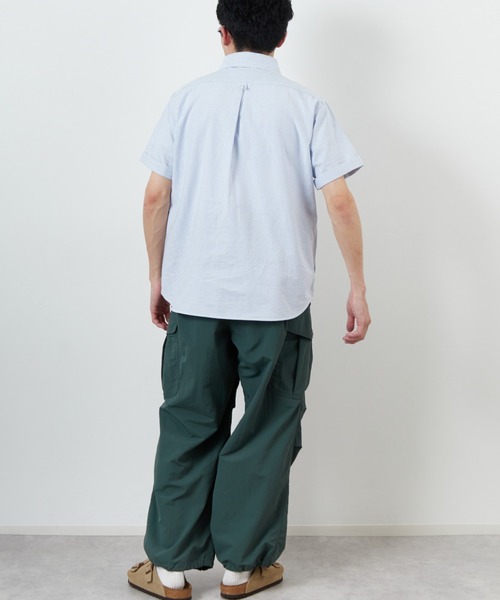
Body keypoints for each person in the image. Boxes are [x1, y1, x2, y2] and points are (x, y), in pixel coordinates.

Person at [128, 1, 371, 598]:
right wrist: (358, 286)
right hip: (276, 301)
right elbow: (339, 200)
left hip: (195, 295)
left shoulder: (186, 101)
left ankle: (170, 571)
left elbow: (156, 196)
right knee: (265, 430)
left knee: (188, 423)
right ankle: (242, 568)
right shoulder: (306, 106)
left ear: (223, 34)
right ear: (282, 36)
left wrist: (157, 277)